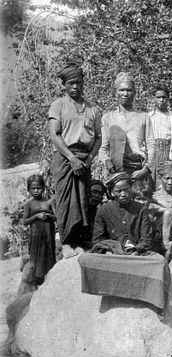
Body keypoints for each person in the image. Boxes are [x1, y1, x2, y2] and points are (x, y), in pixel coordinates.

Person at [49, 64, 101, 256]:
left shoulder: (93, 109)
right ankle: (66, 243)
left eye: (78, 82)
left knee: (82, 200)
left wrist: (89, 159)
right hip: (65, 157)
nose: (75, 87)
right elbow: (55, 134)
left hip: (84, 158)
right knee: (66, 200)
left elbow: (98, 138)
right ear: (64, 85)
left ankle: (79, 241)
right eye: (71, 83)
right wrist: (71, 158)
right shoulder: (58, 105)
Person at [99, 72, 155, 192]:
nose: (125, 94)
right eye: (122, 90)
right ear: (116, 93)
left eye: (129, 90)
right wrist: (110, 167)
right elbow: (103, 148)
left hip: (138, 168)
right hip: (116, 168)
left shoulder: (143, 117)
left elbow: (151, 145)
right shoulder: (107, 118)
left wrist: (145, 169)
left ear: (134, 93)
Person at [92, 173, 153, 254]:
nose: (123, 194)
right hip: (112, 253)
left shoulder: (141, 209)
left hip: (137, 253)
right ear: (112, 193)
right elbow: (98, 240)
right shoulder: (103, 210)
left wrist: (137, 250)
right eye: (119, 191)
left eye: (126, 190)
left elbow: (146, 239)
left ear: (131, 189)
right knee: (86, 259)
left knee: (160, 262)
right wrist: (108, 251)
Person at [22, 174, 56, 285]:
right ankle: (37, 282)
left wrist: (49, 216)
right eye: (33, 188)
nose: (36, 190)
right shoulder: (29, 204)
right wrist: (36, 216)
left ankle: (50, 280)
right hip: (36, 236)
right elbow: (25, 222)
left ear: (43, 188)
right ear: (29, 189)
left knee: (49, 255)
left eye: (38, 188)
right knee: (36, 258)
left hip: (48, 235)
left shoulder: (49, 202)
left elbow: (57, 218)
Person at [148, 86, 172, 186]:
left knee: (166, 179)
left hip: (167, 150)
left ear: (168, 99)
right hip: (153, 151)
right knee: (151, 179)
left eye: (164, 97)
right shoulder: (149, 116)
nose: (161, 100)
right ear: (154, 99)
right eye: (158, 97)